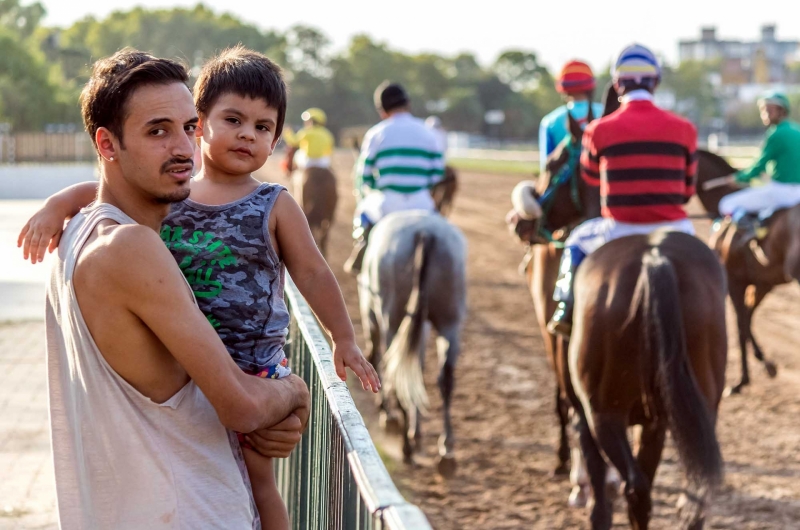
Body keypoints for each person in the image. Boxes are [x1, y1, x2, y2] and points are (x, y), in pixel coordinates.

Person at [19, 47, 380, 529]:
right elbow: (241, 406)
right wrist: (296, 392)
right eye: (157, 130)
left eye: (186, 128)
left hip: (241, 371)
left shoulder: (89, 231)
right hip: (189, 504)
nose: (183, 148)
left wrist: (343, 338)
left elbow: (313, 271)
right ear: (107, 145)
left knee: (263, 485)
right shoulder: (130, 243)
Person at [547, 44, 698, 337]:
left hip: (618, 229)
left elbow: (591, 179)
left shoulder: (597, 130)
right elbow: (687, 192)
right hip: (676, 228)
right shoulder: (685, 128)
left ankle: (565, 308)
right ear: (655, 82)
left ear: (617, 85)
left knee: (576, 240)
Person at [344, 82, 444, 274]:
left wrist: (375, 186)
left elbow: (363, 176)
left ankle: (361, 250)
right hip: (422, 204)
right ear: (408, 104)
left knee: (362, 212)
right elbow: (436, 174)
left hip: (386, 205)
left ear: (382, 111)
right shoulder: (429, 133)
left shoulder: (376, 133)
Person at [713, 91, 800, 232]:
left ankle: (751, 232)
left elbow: (759, 166)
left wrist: (738, 178)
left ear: (781, 111)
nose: (765, 114)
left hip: (782, 192)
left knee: (726, 204)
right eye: (763, 110)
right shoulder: (797, 130)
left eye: (769, 110)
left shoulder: (776, 133)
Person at [538, 60, 605, 176]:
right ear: (591, 86)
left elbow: (546, 167)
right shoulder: (608, 114)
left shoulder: (549, 121)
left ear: (562, 87)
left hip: (562, 190)